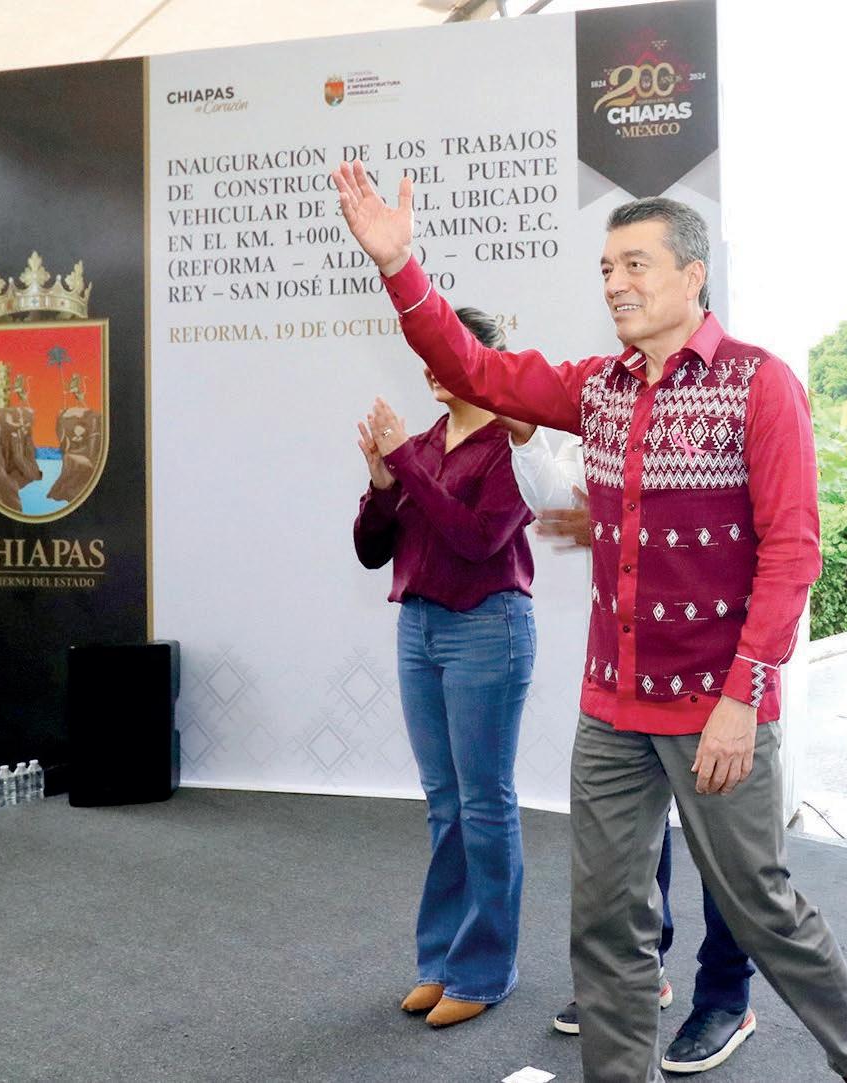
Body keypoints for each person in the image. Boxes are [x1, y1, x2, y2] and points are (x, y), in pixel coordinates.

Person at [332, 160, 847, 1083]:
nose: (614, 283)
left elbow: (791, 554)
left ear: (693, 274)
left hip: (718, 703)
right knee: (604, 921)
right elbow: (474, 367)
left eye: (635, 264)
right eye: (606, 268)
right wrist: (400, 266)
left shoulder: (760, 385)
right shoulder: (597, 388)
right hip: (610, 706)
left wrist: (741, 697)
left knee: (759, 906)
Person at [498, 419, 759, 1074]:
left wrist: (748, 684)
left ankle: (727, 998)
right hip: (631, 661)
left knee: (725, 847)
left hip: (715, 662)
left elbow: (776, 534)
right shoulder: (610, 397)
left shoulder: (743, 389)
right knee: (636, 837)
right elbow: (559, 502)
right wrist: (525, 436)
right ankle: (645, 974)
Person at [352, 307, 537, 1029]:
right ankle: (440, 963)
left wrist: (403, 464)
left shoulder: (509, 445)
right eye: (426, 352)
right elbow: (372, 550)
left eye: (444, 351)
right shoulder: (424, 443)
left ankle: (484, 971)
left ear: (481, 361)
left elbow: (476, 540)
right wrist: (380, 484)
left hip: (487, 628)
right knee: (445, 803)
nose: (430, 364)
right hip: (419, 628)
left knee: (485, 803)